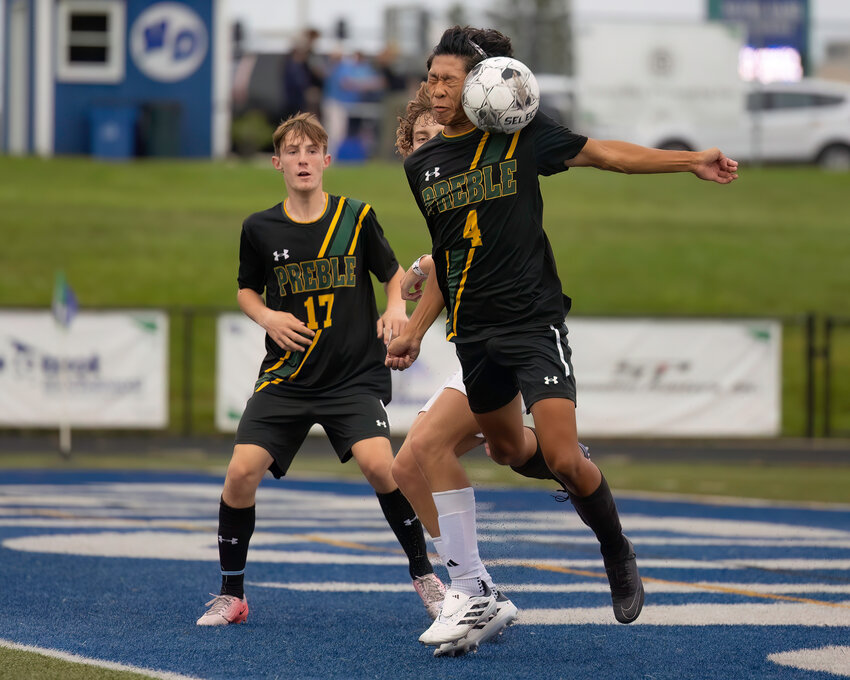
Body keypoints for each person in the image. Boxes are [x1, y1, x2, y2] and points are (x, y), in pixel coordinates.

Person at [387, 26, 739, 649]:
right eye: (432, 79)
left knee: (563, 456)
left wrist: (688, 160)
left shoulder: (519, 137)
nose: (435, 90)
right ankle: (479, 584)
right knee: (502, 451)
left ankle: (614, 549)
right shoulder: (421, 165)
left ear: (478, 84)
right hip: (473, 332)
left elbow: (605, 153)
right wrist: (417, 328)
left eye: (448, 80)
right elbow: (447, 254)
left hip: (531, 320)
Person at [197, 112, 445, 626]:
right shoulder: (259, 228)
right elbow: (246, 288)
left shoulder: (356, 216)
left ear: (326, 160)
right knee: (240, 473)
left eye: (312, 150)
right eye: (293, 151)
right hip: (286, 379)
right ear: (278, 162)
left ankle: (425, 575)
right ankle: (232, 595)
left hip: (351, 377)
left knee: (382, 466)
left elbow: (394, 276)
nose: (303, 159)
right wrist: (267, 316)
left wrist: (396, 306)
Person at [390, 85, 586, 656]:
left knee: (430, 449)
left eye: (437, 136)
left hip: (501, 336)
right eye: (420, 140)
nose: (431, 149)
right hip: (472, 346)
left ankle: (471, 586)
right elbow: (442, 265)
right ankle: (471, 582)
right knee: (409, 468)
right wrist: (417, 287)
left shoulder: (478, 180)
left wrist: (412, 321)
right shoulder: (436, 192)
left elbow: (456, 268)